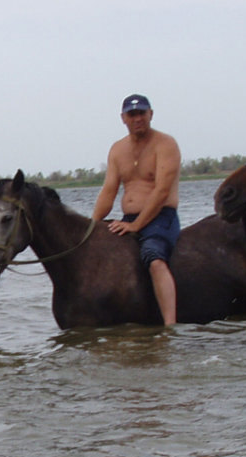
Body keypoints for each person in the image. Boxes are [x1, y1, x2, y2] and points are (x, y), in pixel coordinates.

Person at [91, 94, 182, 325]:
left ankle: (170, 325)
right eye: (132, 115)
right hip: (128, 218)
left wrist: (136, 225)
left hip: (161, 218)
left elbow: (162, 191)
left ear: (151, 114)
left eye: (142, 113)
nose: (137, 118)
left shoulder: (165, 144)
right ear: (123, 118)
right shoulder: (117, 150)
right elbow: (108, 192)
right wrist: (91, 225)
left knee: (154, 258)